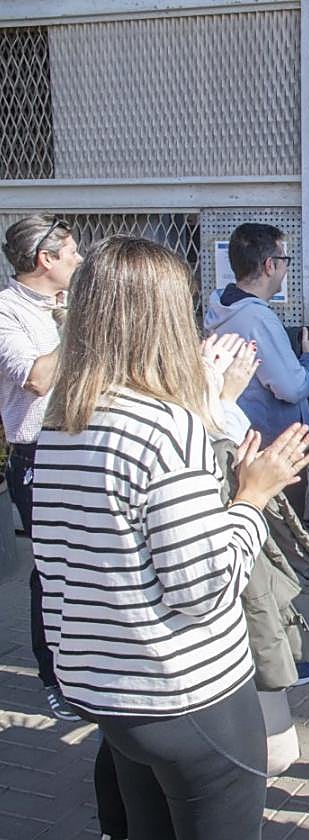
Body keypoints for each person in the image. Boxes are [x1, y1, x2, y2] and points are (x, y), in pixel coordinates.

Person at [32, 235, 309, 839]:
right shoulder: (166, 427)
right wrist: (252, 497)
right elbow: (204, 587)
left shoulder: (61, 421)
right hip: (185, 691)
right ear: (163, 317)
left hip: (103, 690)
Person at [204, 223, 309, 687]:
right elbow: (291, 385)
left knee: (257, 561)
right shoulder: (257, 318)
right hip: (269, 458)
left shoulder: (217, 307)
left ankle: (263, 651)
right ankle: (278, 659)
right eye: (284, 261)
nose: (285, 270)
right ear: (269, 265)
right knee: (275, 561)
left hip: (238, 451)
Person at [0, 215, 83, 721]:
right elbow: (34, 378)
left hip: (82, 446)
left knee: (86, 564)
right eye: (70, 251)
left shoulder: (65, 305)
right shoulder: (6, 311)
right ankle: (53, 674)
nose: (78, 258)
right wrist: (72, 324)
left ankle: (88, 665)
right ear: (44, 259)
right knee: (51, 570)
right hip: (37, 455)